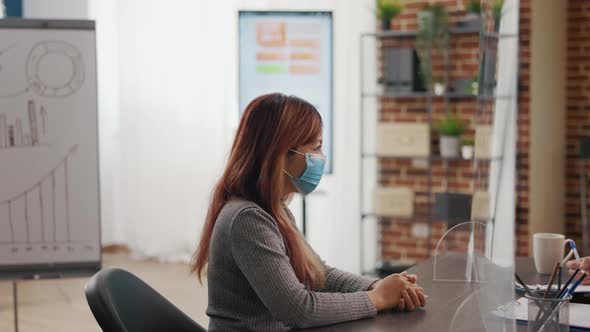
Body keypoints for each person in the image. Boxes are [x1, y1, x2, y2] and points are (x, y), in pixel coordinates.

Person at [191, 93, 427, 331]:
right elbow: (298, 309)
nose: (320, 158)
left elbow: (316, 274)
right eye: (315, 148)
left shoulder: (272, 209)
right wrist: (378, 298)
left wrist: (377, 286)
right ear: (281, 153)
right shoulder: (247, 219)